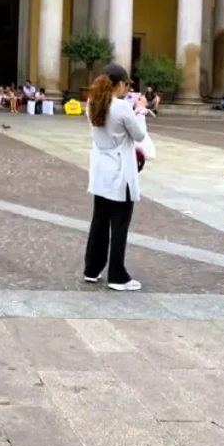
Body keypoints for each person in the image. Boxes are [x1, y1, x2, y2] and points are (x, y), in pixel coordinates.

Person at [83, 63, 147, 292]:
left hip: (101, 169)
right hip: (120, 172)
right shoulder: (121, 107)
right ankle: (117, 275)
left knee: (99, 220)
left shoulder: (92, 102)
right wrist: (140, 110)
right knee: (119, 224)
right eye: (126, 84)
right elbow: (139, 134)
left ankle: (92, 268)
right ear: (120, 83)